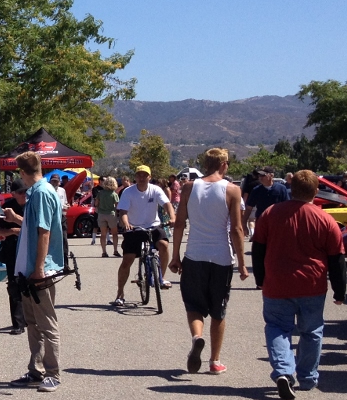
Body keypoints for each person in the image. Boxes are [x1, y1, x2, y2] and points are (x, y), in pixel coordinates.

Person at [251, 170, 346, 398]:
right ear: (315, 191)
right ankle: (306, 377)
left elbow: (258, 249)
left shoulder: (271, 214)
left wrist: (259, 278)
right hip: (312, 285)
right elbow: (336, 258)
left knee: (277, 328)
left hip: (277, 283)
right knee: (312, 331)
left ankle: (284, 370)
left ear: (291, 189)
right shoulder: (326, 220)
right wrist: (340, 290)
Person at [169, 148, 248, 375]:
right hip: (221, 258)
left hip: (194, 255)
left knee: (194, 305)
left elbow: (180, 223)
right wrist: (242, 263)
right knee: (218, 310)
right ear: (223, 165)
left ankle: (197, 337)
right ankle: (214, 361)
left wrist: (176, 256)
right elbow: (237, 229)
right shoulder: (233, 190)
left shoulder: (189, 187)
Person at [4, 151, 64, 391]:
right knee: (32, 323)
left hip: (39, 271)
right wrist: (16, 218)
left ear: (21, 172)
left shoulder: (40, 194)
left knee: (46, 323)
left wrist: (39, 268)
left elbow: (44, 233)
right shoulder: (38, 192)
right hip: (29, 271)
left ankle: (53, 373)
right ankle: (36, 370)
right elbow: (33, 227)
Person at [112, 165, 174, 307]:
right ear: (135, 177)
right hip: (134, 228)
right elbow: (123, 211)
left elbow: (167, 204)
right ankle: (120, 294)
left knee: (164, 245)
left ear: (149, 177)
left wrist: (172, 217)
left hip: (153, 226)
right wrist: (126, 223)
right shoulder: (128, 192)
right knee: (127, 260)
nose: (141, 177)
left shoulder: (155, 190)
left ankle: (161, 278)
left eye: (144, 175)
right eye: (139, 175)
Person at [0, 178, 27, 333]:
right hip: (12, 250)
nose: (25, 195)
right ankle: (17, 324)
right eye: (21, 192)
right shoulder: (7, 208)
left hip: (29, 250)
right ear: (14, 194)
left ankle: (29, 319)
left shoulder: (32, 206)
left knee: (30, 284)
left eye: (27, 191)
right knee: (14, 285)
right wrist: (12, 231)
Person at [245, 167, 289, 240]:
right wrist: (243, 223)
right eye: (259, 176)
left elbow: (287, 207)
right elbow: (249, 208)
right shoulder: (256, 190)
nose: (260, 178)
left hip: (277, 224)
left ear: (271, 175)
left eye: (263, 175)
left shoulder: (281, 189)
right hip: (261, 224)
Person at [96, 176, 120, 257]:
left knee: (103, 234)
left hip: (101, 214)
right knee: (114, 234)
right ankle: (115, 250)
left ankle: (104, 252)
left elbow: (96, 204)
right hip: (111, 214)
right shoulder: (114, 194)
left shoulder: (100, 193)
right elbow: (117, 205)